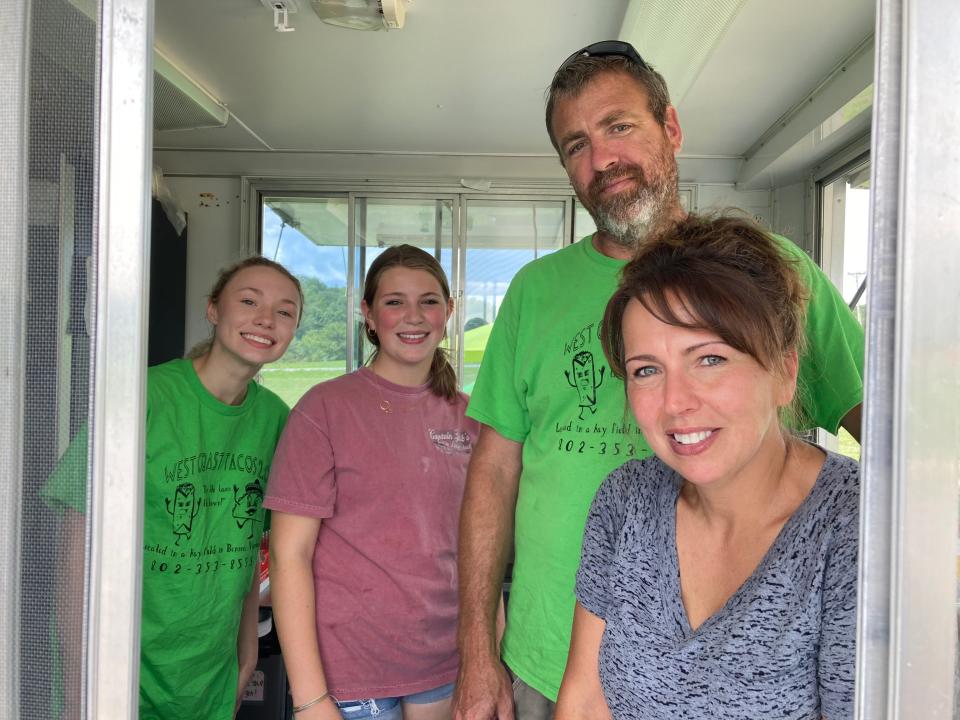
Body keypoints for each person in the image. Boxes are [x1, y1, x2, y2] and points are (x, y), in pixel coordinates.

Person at [453, 41, 865, 719]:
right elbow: (493, 473)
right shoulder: (533, 292)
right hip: (548, 660)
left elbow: (885, 430)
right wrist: (476, 650)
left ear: (671, 129)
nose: (601, 159)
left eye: (619, 127)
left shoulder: (770, 272)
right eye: (575, 145)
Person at [555, 214, 858, 719]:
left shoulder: (855, 530)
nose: (675, 402)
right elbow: (586, 701)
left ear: (785, 371)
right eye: (647, 370)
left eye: (710, 359)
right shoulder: (625, 499)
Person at [43, 256, 304, 719]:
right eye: (249, 301)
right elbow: (75, 553)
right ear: (212, 310)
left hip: (208, 681)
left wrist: (245, 656)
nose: (266, 319)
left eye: (285, 311)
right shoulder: (141, 398)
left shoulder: (275, 420)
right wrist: (80, 684)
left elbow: (244, 550)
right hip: (118, 676)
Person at [266, 244, 480, 720]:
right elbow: (289, 555)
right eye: (393, 301)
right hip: (350, 676)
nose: (413, 316)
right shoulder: (323, 409)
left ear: (449, 311)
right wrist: (310, 699)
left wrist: (489, 657)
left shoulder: (470, 418)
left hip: (445, 662)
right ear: (367, 313)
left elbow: (478, 546)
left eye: (428, 301)